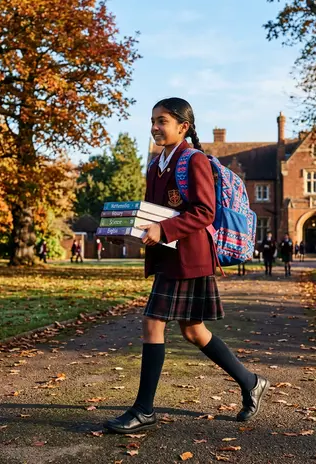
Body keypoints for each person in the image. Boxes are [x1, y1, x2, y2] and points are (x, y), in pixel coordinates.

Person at [104, 97, 269, 434]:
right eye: (152, 120)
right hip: (169, 255)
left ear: (183, 126)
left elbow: (204, 212)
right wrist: (124, 233)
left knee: (153, 323)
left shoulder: (193, 162)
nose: (154, 126)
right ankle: (251, 382)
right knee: (194, 331)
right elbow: (152, 214)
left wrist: (164, 229)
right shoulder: (154, 166)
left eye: (162, 120)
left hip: (191, 257)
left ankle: (143, 409)